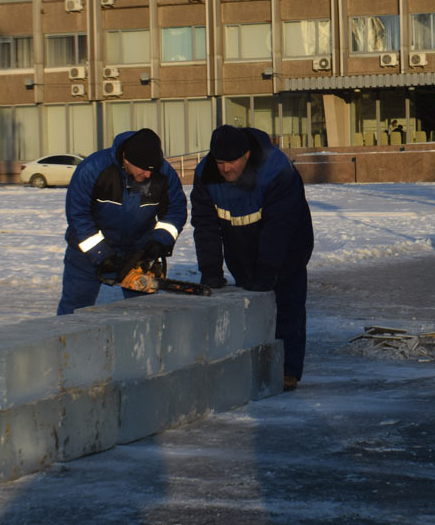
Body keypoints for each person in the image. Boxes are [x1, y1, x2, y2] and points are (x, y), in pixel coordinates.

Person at [190, 125, 314, 392]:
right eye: (220, 162)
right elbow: (205, 225)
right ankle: (253, 367)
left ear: (246, 154)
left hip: (288, 247)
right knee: (251, 305)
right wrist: (211, 270)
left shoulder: (277, 170)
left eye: (231, 162)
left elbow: (279, 226)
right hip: (241, 248)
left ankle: (288, 370)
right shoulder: (205, 175)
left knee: (287, 306)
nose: (225, 169)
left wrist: (269, 269)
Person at [57, 128, 187, 315]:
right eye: (143, 169)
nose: (149, 175)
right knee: (75, 309)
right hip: (86, 254)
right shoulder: (92, 169)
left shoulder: (163, 173)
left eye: (152, 169)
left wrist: (160, 241)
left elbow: (176, 210)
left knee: (145, 313)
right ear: (126, 160)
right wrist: (101, 254)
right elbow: (79, 217)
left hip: (139, 252)